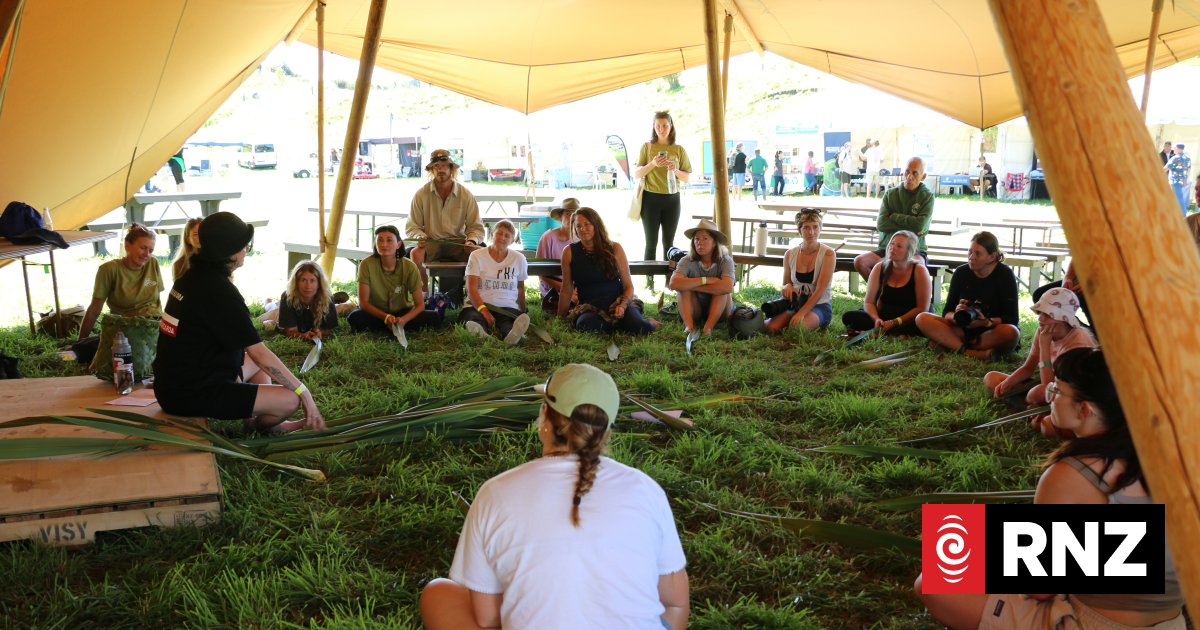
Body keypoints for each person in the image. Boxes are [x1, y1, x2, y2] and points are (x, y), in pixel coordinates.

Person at [915, 348, 1184, 630]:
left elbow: (1040, 588)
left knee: (936, 578)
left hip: (1094, 622)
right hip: (1169, 621)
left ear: (1085, 409)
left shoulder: (1075, 473)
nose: (1049, 396)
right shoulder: (1171, 458)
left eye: (1057, 389)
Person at [419, 363, 689, 630]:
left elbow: (488, 619)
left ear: (545, 415)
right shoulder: (646, 488)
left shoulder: (495, 492)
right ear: (605, 431)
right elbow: (675, 601)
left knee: (438, 594)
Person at [154, 213, 324, 433]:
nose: (247, 251)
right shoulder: (219, 292)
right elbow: (258, 353)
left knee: (257, 367)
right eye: (245, 246)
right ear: (229, 253)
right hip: (190, 394)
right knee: (290, 399)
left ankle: (255, 417)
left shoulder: (192, 277)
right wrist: (303, 392)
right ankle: (261, 426)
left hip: (173, 384)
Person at [985, 287, 1096, 421]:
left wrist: (1044, 346)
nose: (1040, 319)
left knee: (1037, 393)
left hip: (1073, 394)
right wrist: (1010, 382)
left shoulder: (1077, 344)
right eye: (1040, 312)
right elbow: (1028, 368)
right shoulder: (1044, 330)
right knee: (991, 378)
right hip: (1051, 386)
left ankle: (1029, 405)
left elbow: (1047, 386)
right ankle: (1029, 407)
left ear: (1064, 318)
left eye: (1048, 314)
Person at [915, 231, 1021, 360]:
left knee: (1011, 332)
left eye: (978, 254)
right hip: (963, 329)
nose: (971, 257)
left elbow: (1012, 318)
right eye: (970, 251)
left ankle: (949, 344)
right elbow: (947, 312)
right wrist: (957, 315)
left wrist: (985, 322)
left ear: (992, 257)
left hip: (990, 331)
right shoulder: (961, 272)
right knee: (922, 318)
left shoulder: (1004, 274)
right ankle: (971, 352)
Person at [559, 207, 659, 335]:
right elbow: (566, 288)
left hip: (618, 300)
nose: (583, 229)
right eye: (578, 226)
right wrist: (560, 318)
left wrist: (622, 306)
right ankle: (618, 324)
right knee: (586, 326)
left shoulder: (614, 248)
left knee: (638, 327)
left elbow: (628, 286)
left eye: (587, 224)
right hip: (590, 306)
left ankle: (646, 321)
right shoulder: (569, 252)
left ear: (596, 225)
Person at [407, 148, 486, 295]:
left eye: (444, 165)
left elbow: (476, 227)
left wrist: (472, 241)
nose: (440, 169)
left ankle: (475, 296)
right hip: (432, 243)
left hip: (457, 244)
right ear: (432, 170)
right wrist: (420, 237)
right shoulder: (421, 194)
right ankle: (423, 296)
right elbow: (413, 226)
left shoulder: (465, 195)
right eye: (436, 166)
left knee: (480, 253)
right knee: (416, 253)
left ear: (451, 169)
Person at [632, 111, 692, 292]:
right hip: (650, 199)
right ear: (654, 127)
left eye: (665, 125)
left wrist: (675, 170)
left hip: (672, 200)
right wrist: (653, 164)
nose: (661, 129)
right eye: (658, 126)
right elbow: (636, 173)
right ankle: (649, 282)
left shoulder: (679, 149)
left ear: (671, 126)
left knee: (669, 243)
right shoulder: (647, 147)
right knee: (651, 242)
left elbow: (687, 177)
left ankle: (669, 281)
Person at [348, 225, 442, 334]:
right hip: (377, 314)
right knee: (355, 316)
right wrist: (386, 317)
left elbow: (420, 305)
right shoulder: (366, 264)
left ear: (399, 244)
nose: (384, 244)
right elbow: (363, 303)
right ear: (375, 244)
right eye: (380, 240)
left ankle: (395, 327)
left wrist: (403, 320)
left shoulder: (409, 266)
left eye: (389, 240)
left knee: (433, 317)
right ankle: (391, 328)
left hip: (402, 314)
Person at [853, 157, 934, 281]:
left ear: (923, 177)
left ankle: (911, 300)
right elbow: (881, 224)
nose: (909, 176)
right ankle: (881, 292)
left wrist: (895, 216)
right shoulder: (891, 194)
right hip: (887, 248)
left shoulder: (927, 196)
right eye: (907, 171)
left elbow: (920, 225)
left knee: (918, 267)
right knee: (860, 261)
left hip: (914, 250)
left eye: (915, 173)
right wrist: (910, 227)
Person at [78, 224, 164, 340]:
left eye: (151, 250)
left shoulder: (153, 262)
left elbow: (156, 301)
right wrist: (80, 341)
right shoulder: (110, 269)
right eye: (143, 248)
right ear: (128, 246)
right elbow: (95, 309)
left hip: (154, 324)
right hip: (126, 325)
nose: (147, 254)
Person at [841, 231, 931, 337]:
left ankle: (884, 331)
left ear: (909, 251)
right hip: (883, 315)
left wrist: (894, 322)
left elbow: (922, 308)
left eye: (899, 246)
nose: (893, 247)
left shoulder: (919, 270)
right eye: (892, 244)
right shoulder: (879, 267)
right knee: (849, 316)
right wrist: (876, 320)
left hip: (907, 319)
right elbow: (869, 302)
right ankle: (888, 331)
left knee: (924, 323)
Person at [764, 209, 836, 333]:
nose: (811, 232)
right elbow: (786, 284)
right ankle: (791, 318)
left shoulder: (828, 253)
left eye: (815, 227)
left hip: (819, 305)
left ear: (820, 229)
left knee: (798, 328)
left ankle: (805, 319)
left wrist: (801, 313)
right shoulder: (790, 254)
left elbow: (820, 291)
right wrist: (787, 286)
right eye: (806, 228)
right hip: (794, 303)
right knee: (771, 327)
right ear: (799, 230)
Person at [460, 219, 531, 345]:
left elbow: (520, 287)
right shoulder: (476, 256)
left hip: (506, 306)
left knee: (508, 321)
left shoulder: (519, 259)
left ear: (512, 241)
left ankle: (511, 334)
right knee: (475, 318)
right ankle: (481, 333)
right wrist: (484, 311)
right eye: (499, 233)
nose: (502, 238)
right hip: (477, 305)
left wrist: (524, 311)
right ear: (492, 235)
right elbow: (471, 290)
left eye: (507, 236)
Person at [670, 219, 734, 335]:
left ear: (714, 243)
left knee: (721, 290)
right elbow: (674, 283)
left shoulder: (726, 260)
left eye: (705, 238)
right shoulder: (687, 259)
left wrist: (691, 285)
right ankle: (689, 326)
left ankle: (708, 328)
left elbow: (727, 287)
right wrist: (706, 280)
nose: (700, 242)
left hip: (721, 310)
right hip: (695, 309)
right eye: (697, 239)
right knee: (683, 289)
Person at [536, 198, 580, 313]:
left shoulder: (580, 239)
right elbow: (540, 272)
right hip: (552, 288)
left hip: (574, 287)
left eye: (574, 214)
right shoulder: (548, 237)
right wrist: (565, 288)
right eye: (567, 214)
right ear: (560, 217)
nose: (571, 218)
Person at [277, 260, 339, 342]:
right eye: (303, 280)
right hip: (277, 314)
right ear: (296, 282)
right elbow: (290, 332)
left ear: (319, 284)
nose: (308, 286)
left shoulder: (327, 298)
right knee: (271, 311)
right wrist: (303, 335)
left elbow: (327, 329)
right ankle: (268, 302)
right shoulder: (288, 298)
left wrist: (318, 332)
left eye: (312, 281)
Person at [1164, 143, 1191, 215]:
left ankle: (1184, 214)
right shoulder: (1187, 157)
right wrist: (1186, 180)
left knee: (1179, 197)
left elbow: (1165, 169)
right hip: (1182, 181)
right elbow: (1189, 169)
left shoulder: (1175, 158)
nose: (1173, 149)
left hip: (1175, 181)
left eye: (1174, 148)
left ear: (1177, 148)